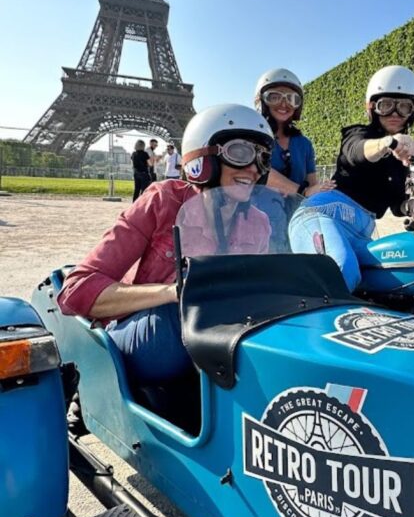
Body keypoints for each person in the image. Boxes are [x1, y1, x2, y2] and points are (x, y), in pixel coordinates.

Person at [58, 105, 274, 392]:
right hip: (146, 332)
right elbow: (75, 290)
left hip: (213, 337)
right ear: (201, 159)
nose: (254, 168)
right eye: (241, 152)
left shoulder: (259, 223)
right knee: (180, 316)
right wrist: (173, 293)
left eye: (263, 158)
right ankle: (94, 390)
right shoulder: (161, 202)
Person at [288, 65, 414, 290]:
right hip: (325, 212)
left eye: (404, 106)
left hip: (362, 228)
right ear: (372, 108)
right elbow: (356, 152)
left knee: (391, 276)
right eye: (386, 105)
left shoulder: (400, 159)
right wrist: (388, 143)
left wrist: (413, 205)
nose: (395, 114)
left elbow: (396, 202)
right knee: (340, 270)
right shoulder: (358, 134)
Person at [253, 68, 334, 198]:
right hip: (259, 217)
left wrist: (322, 189)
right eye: (274, 97)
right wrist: (302, 191)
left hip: (298, 216)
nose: (284, 104)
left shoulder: (304, 144)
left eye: (292, 99)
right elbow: (259, 171)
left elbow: (312, 184)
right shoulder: (252, 139)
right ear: (261, 101)